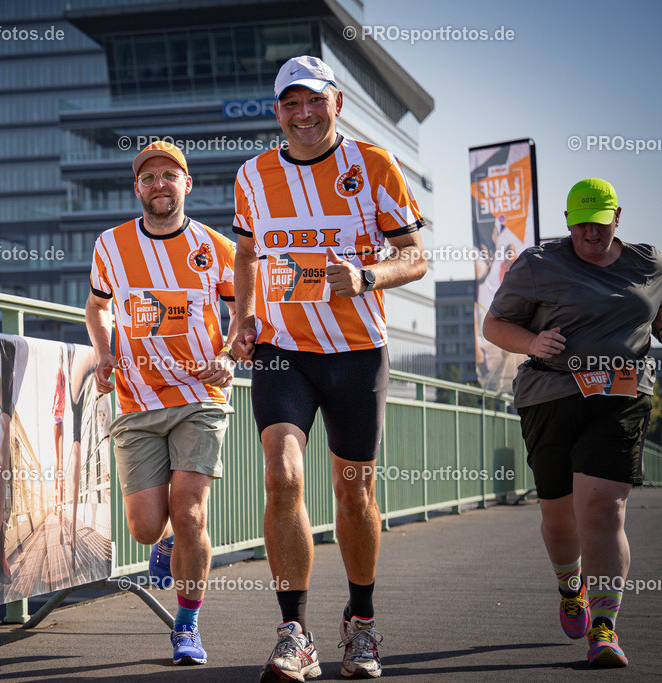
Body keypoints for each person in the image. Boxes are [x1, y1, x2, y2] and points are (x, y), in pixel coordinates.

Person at [231, 56, 427, 681]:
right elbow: (245, 251)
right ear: (277, 111)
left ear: (336, 103)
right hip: (283, 351)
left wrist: (366, 276)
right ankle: (295, 632)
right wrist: (241, 317)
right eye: (291, 103)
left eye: (314, 101)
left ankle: (361, 622)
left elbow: (415, 256)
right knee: (284, 477)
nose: (304, 113)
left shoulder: (372, 166)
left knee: (354, 489)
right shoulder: (253, 175)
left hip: (356, 351)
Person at [484, 178, 662, 668]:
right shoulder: (539, 264)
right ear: (567, 220)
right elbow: (494, 325)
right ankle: (570, 586)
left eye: (599, 223)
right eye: (581, 222)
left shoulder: (648, 263)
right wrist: (532, 344)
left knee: (603, 510)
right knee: (559, 515)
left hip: (622, 396)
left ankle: (605, 627)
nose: (591, 232)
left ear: (617, 216)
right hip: (550, 395)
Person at [86, 140, 238, 665]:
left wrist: (229, 354)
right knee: (146, 527)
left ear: (186, 184)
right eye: (148, 178)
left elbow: (246, 315)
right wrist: (104, 353)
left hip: (201, 394)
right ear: (137, 188)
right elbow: (96, 308)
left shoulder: (217, 247)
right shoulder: (110, 244)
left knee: (190, 511)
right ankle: (165, 540)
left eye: (168, 176)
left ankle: (187, 625)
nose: (158, 185)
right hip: (135, 399)